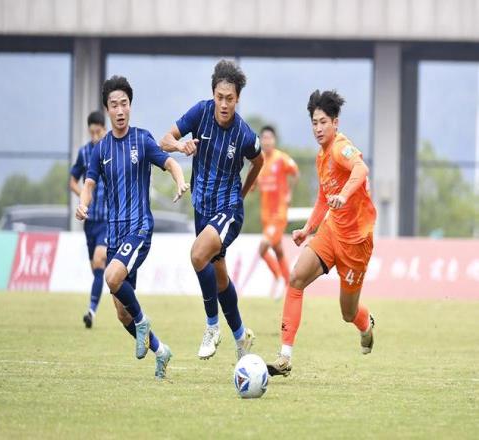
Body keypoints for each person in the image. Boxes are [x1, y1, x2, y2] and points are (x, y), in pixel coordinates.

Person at [76, 75, 189, 379]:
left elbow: (170, 163)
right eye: (114, 105)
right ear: (107, 109)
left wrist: (180, 180)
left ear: (130, 106)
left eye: (124, 103)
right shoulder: (101, 150)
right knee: (121, 312)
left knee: (112, 277)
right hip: (114, 234)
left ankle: (142, 321)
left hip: (139, 228)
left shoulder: (142, 139)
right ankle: (161, 350)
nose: (120, 110)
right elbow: (88, 185)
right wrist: (83, 204)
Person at [267, 90, 377, 377]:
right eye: (314, 123)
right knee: (296, 278)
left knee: (347, 313)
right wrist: (308, 229)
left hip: (356, 243)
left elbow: (361, 169)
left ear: (335, 123)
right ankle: (285, 356)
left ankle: (365, 324)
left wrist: (345, 194)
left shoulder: (341, 148)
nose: (318, 128)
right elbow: (323, 197)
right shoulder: (321, 156)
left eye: (323, 122)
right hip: (331, 232)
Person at [160, 60, 264, 361]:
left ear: (238, 98)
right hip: (202, 209)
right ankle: (241, 336)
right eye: (220, 97)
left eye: (230, 98)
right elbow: (165, 140)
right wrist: (180, 147)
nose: (224, 104)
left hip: (228, 209)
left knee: (197, 255)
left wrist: (243, 193)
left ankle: (212, 326)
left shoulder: (244, 135)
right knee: (220, 279)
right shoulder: (200, 113)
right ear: (213, 95)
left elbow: (259, 161)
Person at [69, 111, 108, 329]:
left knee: (99, 259)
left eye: (98, 132)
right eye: (91, 132)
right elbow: (73, 181)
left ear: (104, 129)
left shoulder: (112, 149)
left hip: (108, 220)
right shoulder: (84, 152)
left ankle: (91, 311)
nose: (95, 136)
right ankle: (111, 285)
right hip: (90, 221)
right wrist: (83, 197)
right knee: (96, 268)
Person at [255, 125, 299, 299]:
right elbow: (254, 183)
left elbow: (295, 173)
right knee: (278, 250)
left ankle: (278, 277)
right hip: (265, 215)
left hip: (278, 213)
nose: (266, 141)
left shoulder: (281, 159)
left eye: (269, 138)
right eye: (264, 138)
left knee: (263, 247)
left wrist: (290, 193)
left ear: (274, 140)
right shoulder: (259, 161)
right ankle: (290, 286)